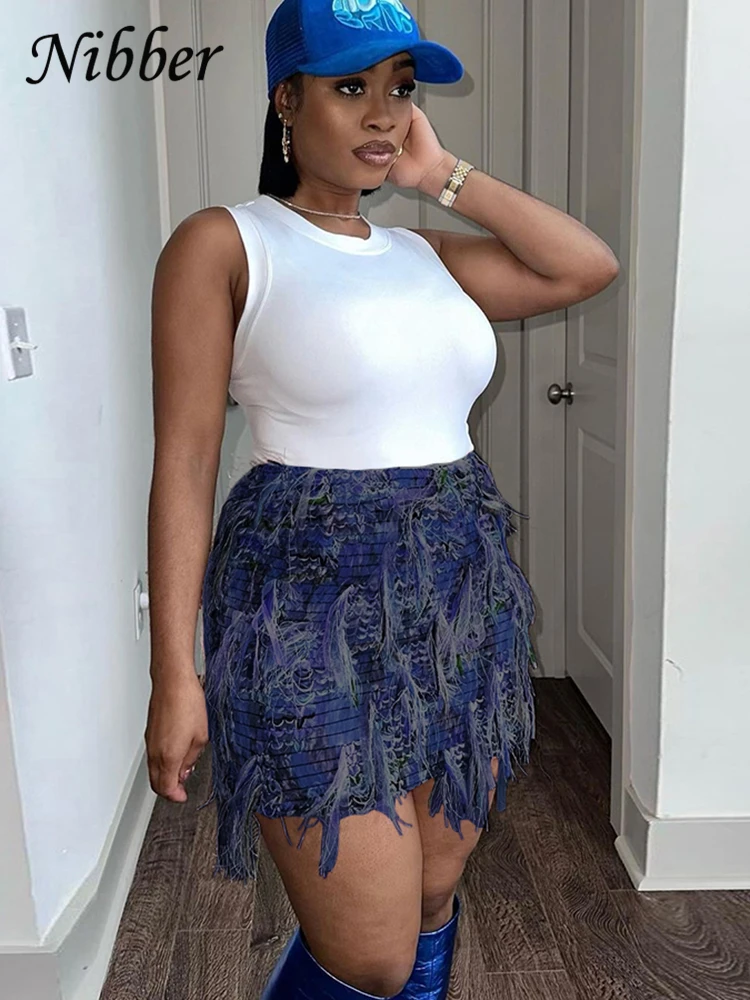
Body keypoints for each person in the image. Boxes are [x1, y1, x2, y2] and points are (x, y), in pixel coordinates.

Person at [144, 1, 620, 997]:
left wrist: (439, 175)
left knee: (434, 888)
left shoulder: (422, 254)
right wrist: (174, 673)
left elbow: (586, 265)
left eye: (399, 89)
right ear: (286, 99)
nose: (382, 113)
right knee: (369, 949)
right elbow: (184, 462)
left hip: (455, 598)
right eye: (350, 86)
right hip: (304, 606)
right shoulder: (226, 243)